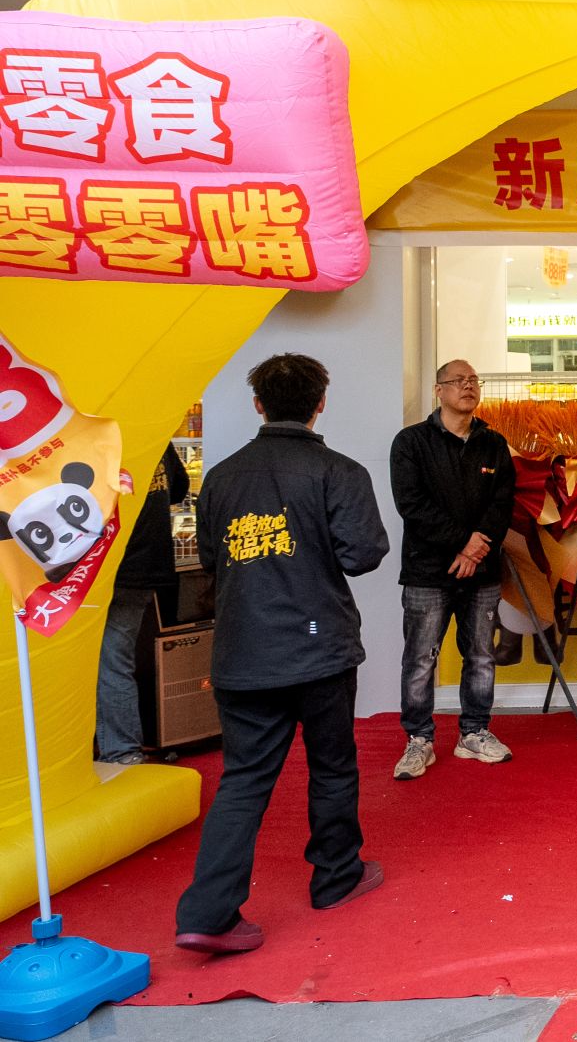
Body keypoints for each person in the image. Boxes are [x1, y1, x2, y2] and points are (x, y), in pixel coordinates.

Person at [174, 354, 390, 954]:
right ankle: (336, 878)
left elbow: (210, 557)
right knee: (332, 765)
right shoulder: (339, 471)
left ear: (258, 404)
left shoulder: (221, 477)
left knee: (243, 780)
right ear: (321, 404)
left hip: (243, 650)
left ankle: (207, 914)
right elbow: (363, 554)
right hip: (320, 650)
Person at [388, 358, 517, 779]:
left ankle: (474, 732)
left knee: (481, 655)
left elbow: (502, 503)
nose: (468, 386)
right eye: (458, 380)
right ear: (438, 390)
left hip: (481, 572)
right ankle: (419, 739)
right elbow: (412, 505)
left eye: (473, 380)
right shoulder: (411, 443)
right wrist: (464, 542)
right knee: (420, 659)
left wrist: (476, 549)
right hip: (427, 572)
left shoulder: (493, 443)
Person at [95, 444, 188, 764]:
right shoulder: (156, 438)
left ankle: (120, 750)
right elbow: (180, 488)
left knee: (108, 663)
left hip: (106, 569)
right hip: (149, 564)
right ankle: (122, 746)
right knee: (118, 661)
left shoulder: (92, 435)